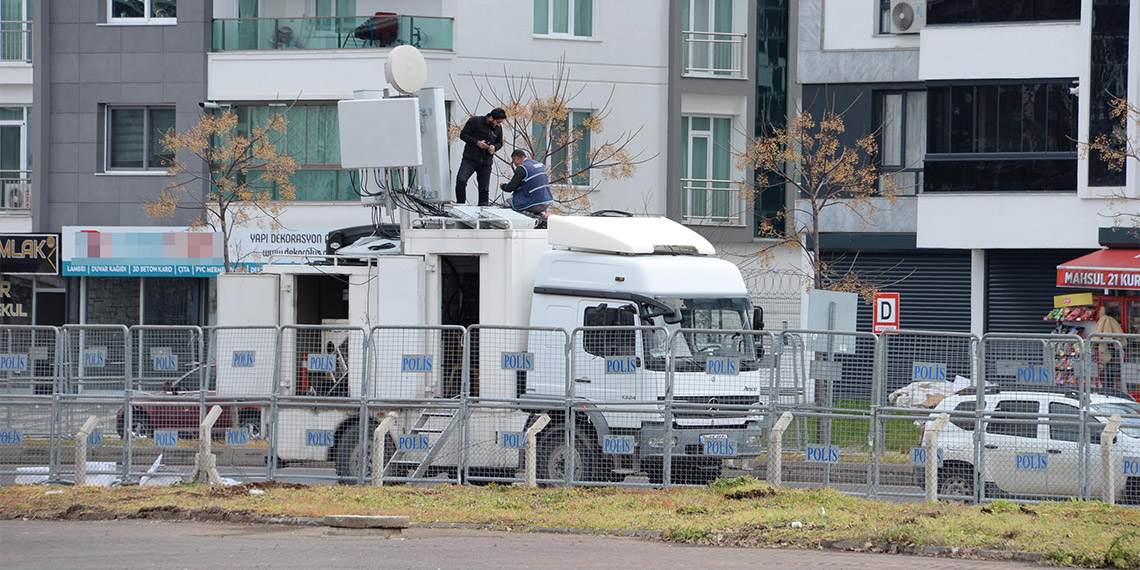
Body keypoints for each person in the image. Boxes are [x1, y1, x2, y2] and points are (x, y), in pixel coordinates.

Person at [455, 108, 506, 206]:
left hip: (486, 162)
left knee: (484, 189)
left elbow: (500, 142)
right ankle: (460, 205)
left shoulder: (498, 129)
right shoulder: (475, 121)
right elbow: (463, 135)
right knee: (461, 181)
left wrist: (494, 147)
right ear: (491, 117)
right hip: (470, 159)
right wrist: (477, 143)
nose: (498, 125)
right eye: (498, 122)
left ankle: (483, 210)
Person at [499, 149, 553, 215]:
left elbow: (511, 187)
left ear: (516, 158)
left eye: (514, 161)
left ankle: (517, 223)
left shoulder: (522, 168)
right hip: (546, 201)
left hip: (535, 202)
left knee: (507, 203)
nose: (515, 164)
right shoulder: (540, 165)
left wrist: (503, 186)